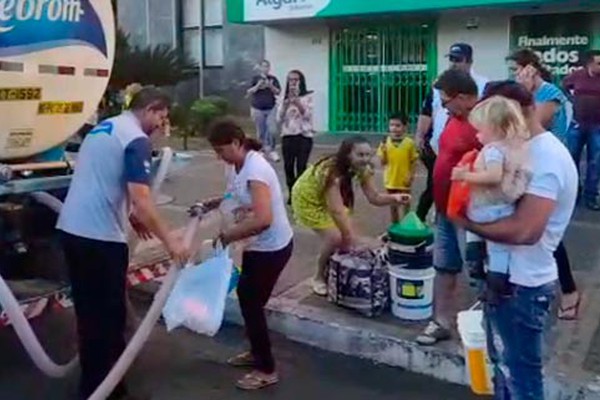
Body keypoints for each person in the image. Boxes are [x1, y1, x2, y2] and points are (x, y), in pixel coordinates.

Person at [56, 87, 190, 400]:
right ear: (152, 109)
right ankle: (104, 391)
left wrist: (129, 214)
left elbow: (102, 177)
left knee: (90, 316)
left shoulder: (105, 127)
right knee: (108, 320)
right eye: (162, 116)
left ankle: (99, 386)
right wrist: (172, 241)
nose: (161, 124)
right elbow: (143, 199)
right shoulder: (136, 139)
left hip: (72, 231)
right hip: (100, 240)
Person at [455, 80, 578, 400]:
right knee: (504, 373)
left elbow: (526, 231)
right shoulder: (516, 147)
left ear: (520, 112)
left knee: (522, 378)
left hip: (523, 285)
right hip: (506, 281)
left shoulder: (547, 158)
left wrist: (465, 221)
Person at [207, 120, 294, 391]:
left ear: (236, 143)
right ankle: (257, 353)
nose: (219, 156)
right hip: (258, 246)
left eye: (222, 150)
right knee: (249, 300)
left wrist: (227, 236)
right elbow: (234, 195)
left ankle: (266, 369)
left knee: (251, 302)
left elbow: (264, 218)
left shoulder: (256, 169)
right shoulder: (235, 165)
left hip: (273, 247)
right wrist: (213, 203)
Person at [509, 49, 581, 319]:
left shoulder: (548, 93)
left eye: (517, 69)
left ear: (531, 69)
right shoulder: (532, 94)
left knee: (549, 234)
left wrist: (524, 92)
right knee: (543, 234)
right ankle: (558, 287)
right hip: (533, 166)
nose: (516, 75)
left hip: (552, 169)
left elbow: (529, 127)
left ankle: (569, 291)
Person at [291, 136, 411, 296]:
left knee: (347, 234)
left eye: (368, 155)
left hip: (331, 200)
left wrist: (394, 198)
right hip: (308, 200)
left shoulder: (364, 169)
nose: (365, 159)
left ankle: (335, 270)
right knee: (335, 238)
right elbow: (337, 211)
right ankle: (318, 276)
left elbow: (374, 197)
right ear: (347, 154)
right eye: (360, 155)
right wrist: (348, 237)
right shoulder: (330, 171)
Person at [416, 69, 482, 346]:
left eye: (446, 101)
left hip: (469, 214)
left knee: (477, 273)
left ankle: (487, 329)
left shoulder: (482, 124)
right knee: (443, 267)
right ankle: (441, 321)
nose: (442, 106)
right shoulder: (453, 119)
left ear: (465, 97)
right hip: (445, 209)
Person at [451, 95, 531, 302]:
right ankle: (495, 281)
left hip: (487, 207)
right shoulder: (515, 148)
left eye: (480, 130)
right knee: (499, 250)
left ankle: (480, 267)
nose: (477, 135)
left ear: (494, 128)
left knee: (483, 237)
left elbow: (493, 177)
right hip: (504, 207)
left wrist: (465, 176)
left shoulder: (494, 150)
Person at [415, 43, 489, 222]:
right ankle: (432, 215)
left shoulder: (483, 85)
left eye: (458, 59)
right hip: (439, 144)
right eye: (451, 59)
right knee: (435, 183)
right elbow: (426, 111)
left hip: (466, 155)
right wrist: (419, 135)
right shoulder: (440, 86)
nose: (454, 63)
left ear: (469, 61)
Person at [563, 49, 600, 211]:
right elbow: (564, 86)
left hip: (597, 126)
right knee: (572, 159)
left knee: (595, 162)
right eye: (599, 63)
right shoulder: (577, 76)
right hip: (577, 124)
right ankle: (574, 194)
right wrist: (572, 99)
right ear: (590, 63)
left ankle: (591, 196)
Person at [279, 69, 314, 202]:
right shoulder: (284, 97)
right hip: (288, 136)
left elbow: (308, 116)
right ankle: (291, 193)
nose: (293, 83)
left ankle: (300, 195)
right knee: (288, 166)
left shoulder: (308, 97)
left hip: (304, 136)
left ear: (301, 81)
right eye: (290, 80)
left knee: (301, 167)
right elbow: (279, 118)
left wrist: (297, 102)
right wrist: (286, 103)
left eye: (296, 80)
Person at [377, 113, 419, 223]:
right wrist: (384, 151)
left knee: (405, 204)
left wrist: (411, 175)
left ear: (405, 127)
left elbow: (414, 161)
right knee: (393, 205)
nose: (394, 128)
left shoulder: (409, 143)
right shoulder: (385, 142)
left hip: (404, 180)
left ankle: (406, 225)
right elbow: (383, 162)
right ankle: (395, 225)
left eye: (398, 125)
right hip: (390, 180)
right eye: (391, 125)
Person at [247, 60, 281, 162]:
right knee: (261, 131)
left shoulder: (273, 79)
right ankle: (261, 150)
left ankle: (271, 150)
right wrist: (258, 85)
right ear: (260, 68)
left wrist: (270, 86)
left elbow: (278, 92)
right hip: (257, 108)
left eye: (267, 66)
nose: (265, 68)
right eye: (263, 66)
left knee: (272, 130)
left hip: (271, 107)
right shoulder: (255, 78)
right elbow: (249, 91)